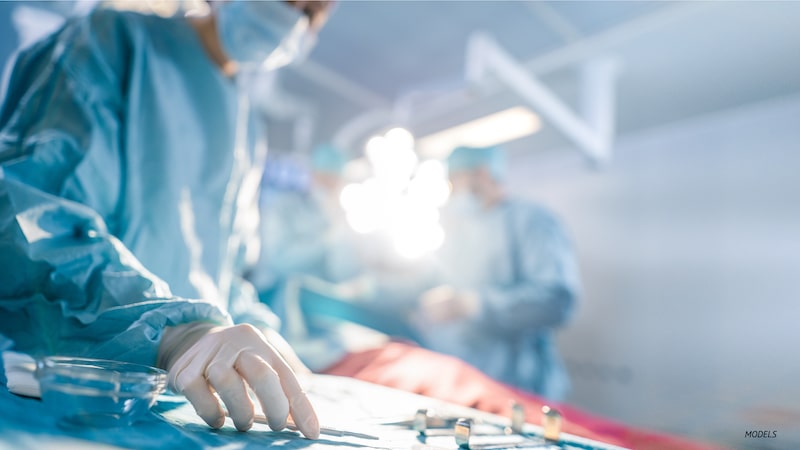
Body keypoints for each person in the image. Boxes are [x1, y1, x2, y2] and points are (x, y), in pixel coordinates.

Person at [0, 0, 335, 438]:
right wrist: (173, 332)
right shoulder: (113, 43)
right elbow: (32, 221)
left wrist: (270, 346)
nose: (292, 16)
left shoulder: (246, 125)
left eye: (309, 11)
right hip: (69, 390)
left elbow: (223, 276)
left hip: (194, 405)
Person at [414, 145, 581, 401]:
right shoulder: (458, 225)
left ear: (481, 173)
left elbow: (556, 299)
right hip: (460, 379)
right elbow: (432, 276)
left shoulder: (532, 220)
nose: (451, 192)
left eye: (453, 181)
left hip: (517, 382)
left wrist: (472, 305)